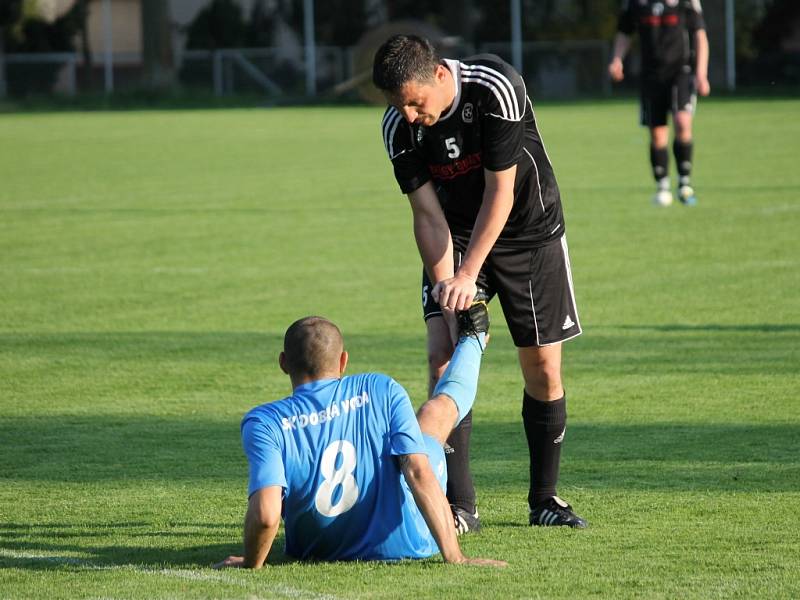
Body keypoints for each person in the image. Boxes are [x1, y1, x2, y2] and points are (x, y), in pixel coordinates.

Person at [373, 35, 587, 531]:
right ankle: (458, 506)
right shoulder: (397, 129)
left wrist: (470, 274)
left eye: (414, 102)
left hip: (529, 232)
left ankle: (544, 501)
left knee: (542, 369)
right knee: (441, 356)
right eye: (397, 104)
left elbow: (501, 191)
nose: (407, 115)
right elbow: (426, 215)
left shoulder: (495, 87)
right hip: (457, 233)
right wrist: (448, 285)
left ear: (440, 77)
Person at [215, 308, 506, 567]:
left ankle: (474, 339)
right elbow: (418, 471)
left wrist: (250, 563)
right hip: (408, 544)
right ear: (343, 361)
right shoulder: (380, 387)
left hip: (316, 550)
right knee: (435, 416)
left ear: (283, 363)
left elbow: (267, 515)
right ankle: (473, 339)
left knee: (424, 427)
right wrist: (456, 557)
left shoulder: (265, 421)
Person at [608, 0, 710, 207]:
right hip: (651, 76)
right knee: (657, 133)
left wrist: (701, 73)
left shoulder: (685, 2)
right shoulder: (635, 4)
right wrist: (617, 59)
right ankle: (662, 186)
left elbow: (700, 34)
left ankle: (684, 182)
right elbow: (624, 32)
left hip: (681, 71)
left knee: (682, 122)